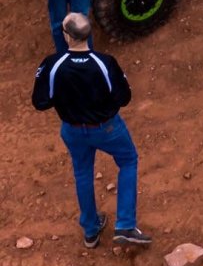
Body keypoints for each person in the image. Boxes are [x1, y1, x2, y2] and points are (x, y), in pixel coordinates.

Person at [31, 13, 152, 248]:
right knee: (128, 161)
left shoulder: (52, 64)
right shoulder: (105, 62)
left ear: (67, 36)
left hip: (73, 132)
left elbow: (40, 102)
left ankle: (91, 230)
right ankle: (125, 225)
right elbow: (124, 97)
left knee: (83, 173)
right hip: (107, 129)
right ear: (88, 35)